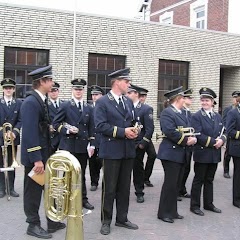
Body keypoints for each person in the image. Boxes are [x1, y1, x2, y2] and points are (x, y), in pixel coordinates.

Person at [21, 65, 65, 239]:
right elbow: (30, 133)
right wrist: (37, 160)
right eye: (50, 80)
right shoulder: (31, 102)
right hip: (36, 158)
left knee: (48, 188)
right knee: (33, 191)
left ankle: (52, 221)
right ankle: (32, 224)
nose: (52, 83)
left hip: (44, 155)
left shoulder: (41, 99)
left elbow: (40, 127)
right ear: (42, 82)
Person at [94, 68, 139, 235]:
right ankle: (106, 221)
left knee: (124, 187)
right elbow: (100, 125)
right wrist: (122, 132)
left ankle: (122, 218)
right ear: (117, 82)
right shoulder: (103, 102)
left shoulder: (127, 101)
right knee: (110, 188)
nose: (128, 84)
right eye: (126, 81)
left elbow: (133, 121)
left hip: (127, 150)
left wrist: (136, 130)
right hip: (112, 150)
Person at [52, 78, 95, 210]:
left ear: (83, 91)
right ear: (72, 90)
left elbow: (91, 127)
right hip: (68, 146)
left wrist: (92, 144)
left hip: (82, 146)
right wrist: (67, 130)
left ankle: (82, 199)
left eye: (80, 89)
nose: (78, 91)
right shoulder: (65, 105)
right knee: (65, 174)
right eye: (76, 89)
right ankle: (63, 199)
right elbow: (55, 124)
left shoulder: (88, 107)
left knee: (81, 174)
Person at [157, 86, 197, 224]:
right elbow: (170, 131)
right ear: (178, 99)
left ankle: (172, 211)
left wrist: (192, 138)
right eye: (183, 98)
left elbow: (186, 129)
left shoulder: (180, 112)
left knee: (176, 185)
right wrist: (187, 140)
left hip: (180, 153)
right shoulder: (167, 113)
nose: (185, 100)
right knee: (170, 184)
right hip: (170, 153)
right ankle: (163, 213)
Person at [190, 87, 226, 216]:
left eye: (207, 100)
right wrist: (214, 142)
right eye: (203, 100)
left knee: (209, 179)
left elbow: (224, 131)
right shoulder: (196, 116)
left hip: (214, 154)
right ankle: (194, 205)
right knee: (199, 179)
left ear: (212, 102)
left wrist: (222, 139)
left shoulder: (218, 116)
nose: (204, 102)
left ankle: (208, 204)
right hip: (202, 153)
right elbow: (198, 134)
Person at [127, 84, 154, 203]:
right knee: (125, 170)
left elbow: (149, 129)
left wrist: (143, 143)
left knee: (137, 169)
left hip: (138, 144)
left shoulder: (145, 109)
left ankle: (139, 192)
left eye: (129, 93)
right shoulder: (125, 107)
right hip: (126, 143)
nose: (127, 95)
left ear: (136, 94)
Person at [0, 78, 22, 198]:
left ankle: (12, 188)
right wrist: (4, 133)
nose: (8, 90)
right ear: (3, 90)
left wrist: (14, 132)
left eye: (10, 88)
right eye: (6, 88)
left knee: (12, 163)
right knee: (1, 164)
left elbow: (20, 120)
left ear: (14, 90)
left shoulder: (19, 103)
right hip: (0, 138)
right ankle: (2, 188)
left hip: (13, 138)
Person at [138, 87, 156, 187]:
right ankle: (141, 179)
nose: (142, 98)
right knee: (139, 160)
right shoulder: (134, 108)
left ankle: (146, 177)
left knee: (153, 155)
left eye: (144, 96)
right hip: (138, 138)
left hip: (146, 137)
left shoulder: (147, 108)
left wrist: (146, 140)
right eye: (140, 96)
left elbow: (150, 126)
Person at [178, 89, 193, 199]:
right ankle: (177, 190)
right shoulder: (181, 112)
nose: (190, 99)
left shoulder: (189, 112)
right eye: (188, 97)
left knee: (187, 168)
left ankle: (182, 188)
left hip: (190, 144)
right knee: (180, 168)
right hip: (182, 143)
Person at [226, 91, 240, 208]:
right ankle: (237, 199)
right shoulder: (233, 112)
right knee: (238, 175)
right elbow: (230, 131)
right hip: (237, 148)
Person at [89, 85, 104, 191]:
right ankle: (94, 182)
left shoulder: (104, 107)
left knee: (104, 162)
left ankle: (106, 182)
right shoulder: (89, 108)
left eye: (97, 94)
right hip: (93, 138)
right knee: (93, 163)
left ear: (101, 95)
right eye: (93, 95)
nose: (94, 97)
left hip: (103, 139)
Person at [222, 91, 239, 178]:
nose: (235, 99)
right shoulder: (228, 109)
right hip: (230, 134)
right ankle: (226, 170)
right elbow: (224, 122)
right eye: (234, 97)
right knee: (228, 154)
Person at [47, 81, 64, 154]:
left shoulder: (64, 104)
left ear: (58, 91)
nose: (53, 93)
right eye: (51, 91)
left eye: (55, 91)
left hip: (62, 136)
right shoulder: (45, 105)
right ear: (48, 92)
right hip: (51, 136)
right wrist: (48, 126)